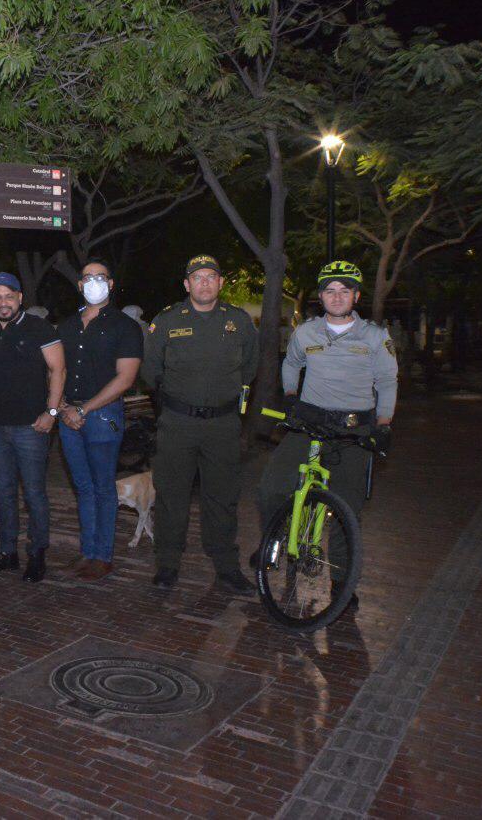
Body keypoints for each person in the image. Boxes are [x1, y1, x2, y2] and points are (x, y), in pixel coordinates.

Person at [256, 260, 397, 608]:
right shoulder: (306, 332)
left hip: (353, 430)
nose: (337, 297)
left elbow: (387, 381)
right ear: (320, 297)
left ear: (356, 296)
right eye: (330, 291)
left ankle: (341, 581)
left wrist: (383, 425)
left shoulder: (375, 336)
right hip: (309, 423)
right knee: (271, 487)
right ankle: (273, 541)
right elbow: (292, 363)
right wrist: (291, 396)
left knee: (347, 508)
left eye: (344, 291)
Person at [141, 255, 257, 593]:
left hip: (223, 424)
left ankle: (226, 566)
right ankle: (167, 563)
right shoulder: (167, 321)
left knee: (222, 496)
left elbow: (250, 367)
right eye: (197, 277)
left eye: (210, 277)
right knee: (171, 495)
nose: (204, 283)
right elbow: (151, 371)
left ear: (220, 283)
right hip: (178, 423)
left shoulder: (239, 321)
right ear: (186, 284)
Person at [56, 259, 144, 581]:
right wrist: (62, 407)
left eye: (100, 277)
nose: (94, 282)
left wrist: (83, 410)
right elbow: (55, 370)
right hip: (69, 415)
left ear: (110, 283)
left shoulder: (125, 326)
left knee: (103, 488)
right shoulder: (66, 326)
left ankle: (103, 556)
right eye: (88, 277)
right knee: (83, 487)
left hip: (103, 415)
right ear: (80, 285)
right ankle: (88, 551)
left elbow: (126, 378)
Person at [0, 272, 65, 582]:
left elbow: (58, 369)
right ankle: (7, 552)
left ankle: (37, 553)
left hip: (32, 426)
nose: (4, 302)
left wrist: (51, 412)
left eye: (9, 296)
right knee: (3, 492)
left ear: (19, 298)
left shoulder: (39, 328)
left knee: (34, 493)